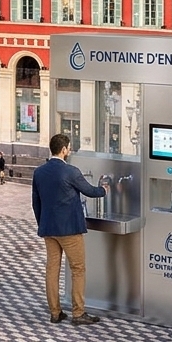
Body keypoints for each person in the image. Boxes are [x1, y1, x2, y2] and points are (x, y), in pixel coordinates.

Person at [31, 132, 105, 326]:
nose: (69, 150)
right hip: (70, 230)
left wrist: (43, 224)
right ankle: (78, 313)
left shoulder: (39, 172)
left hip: (49, 229)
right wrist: (105, 189)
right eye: (69, 147)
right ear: (64, 150)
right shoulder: (71, 171)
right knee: (78, 269)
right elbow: (90, 191)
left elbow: (35, 203)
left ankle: (55, 313)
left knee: (52, 270)